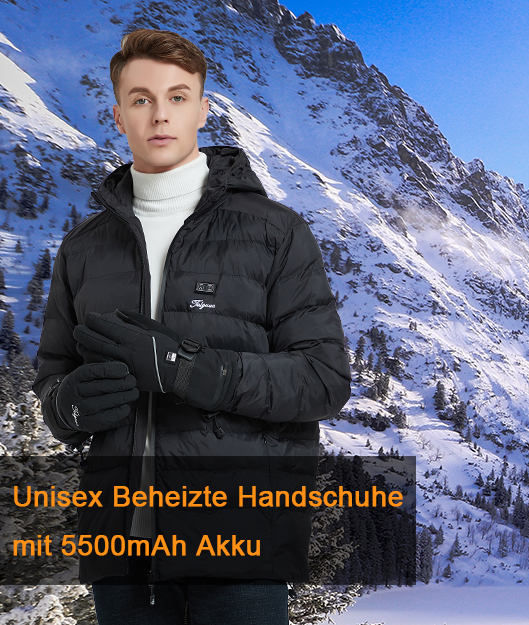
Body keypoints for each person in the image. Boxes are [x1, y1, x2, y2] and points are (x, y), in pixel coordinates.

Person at [32, 28, 351, 624]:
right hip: (118, 550)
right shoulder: (82, 247)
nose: (160, 115)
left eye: (178, 97)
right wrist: (66, 408)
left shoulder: (274, 231)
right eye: (141, 98)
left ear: (203, 110)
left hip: (238, 542)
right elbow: (53, 376)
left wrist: (191, 370)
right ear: (118, 112)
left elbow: (323, 379)